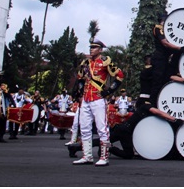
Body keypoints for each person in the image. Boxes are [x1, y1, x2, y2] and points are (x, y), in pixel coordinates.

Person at [73, 39, 125, 167]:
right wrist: (79, 93)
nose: (91, 49)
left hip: (98, 99)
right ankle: (87, 156)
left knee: (102, 129)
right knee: (84, 128)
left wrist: (108, 92)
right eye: (91, 47)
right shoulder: (85, 63)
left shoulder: (105, 61)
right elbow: (80, 78)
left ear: (100, 49)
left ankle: (104, 156)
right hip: (86, 99)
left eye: (95, 47)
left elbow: (120, 76)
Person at [109, 103, 178, 159]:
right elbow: (157, 112)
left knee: (103, 141)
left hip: (124, 130)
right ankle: (109, 148)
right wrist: (174, 119)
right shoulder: (146, 107)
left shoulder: (144, 110)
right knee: (128, 155)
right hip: (125, 130)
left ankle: (109, 147)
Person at [150, 13, 184, 108]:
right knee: (157, 82)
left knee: (165, 80)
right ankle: (153, 105)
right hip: (159, 58)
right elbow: (165, 43)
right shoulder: (159, 28)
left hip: (166, 59)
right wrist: (179, 48)